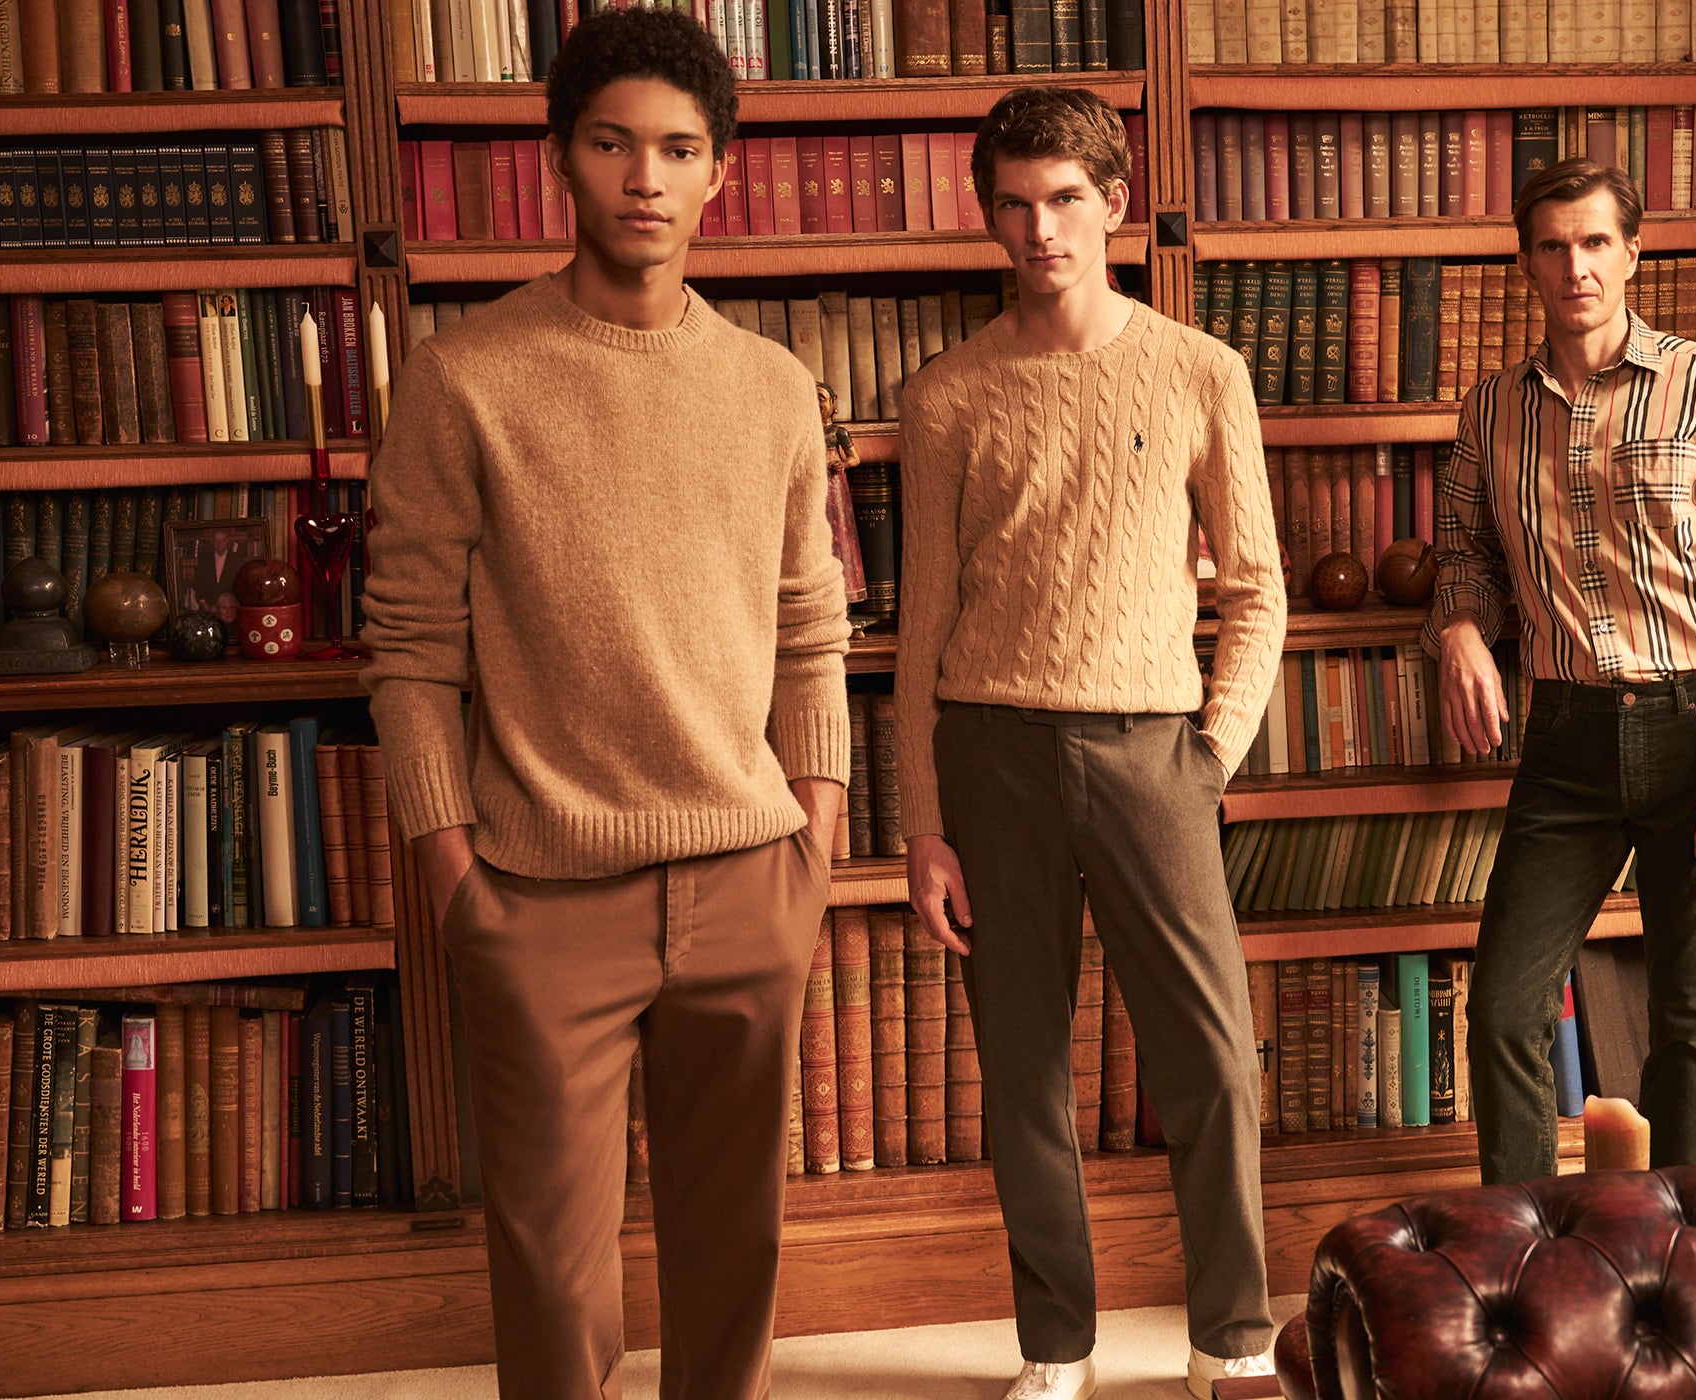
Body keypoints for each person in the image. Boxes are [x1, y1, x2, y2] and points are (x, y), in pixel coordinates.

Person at [358, 10, 849, 1397]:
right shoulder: (466, 378)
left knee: (732, 1254)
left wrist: (812, 837)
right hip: (536, 890)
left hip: (748, 878)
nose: (646, 178)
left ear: (720, 176)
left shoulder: (771, 387)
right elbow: (406, 653)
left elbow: (812, 627)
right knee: (554, 1275)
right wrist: (454, 874)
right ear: (560, 162)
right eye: (614, 144)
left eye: (679, 149)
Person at [896, 85, 1288, 1400]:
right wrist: (920, 820)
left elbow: (1255, 586)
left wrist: (1213, 751)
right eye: (1012, 205)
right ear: (989, 215)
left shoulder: (1198, 370)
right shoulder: (946, 393)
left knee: (1214, 1061)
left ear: (1114, 203)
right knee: (1022, 1072)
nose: (1039, 231)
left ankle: (1231, 1338)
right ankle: (1055, 1348)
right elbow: (923, 622)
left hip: (1152, 751)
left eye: (1065, 199)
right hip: (990, 754)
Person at [1427, 157, 1696, 1186]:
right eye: (1552, 246)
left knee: (1688, 1017)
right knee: (1504, 1007)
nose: (1575, 267)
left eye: (1595, 242)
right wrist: (1460, 630)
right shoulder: (1488, 409)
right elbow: (1463, 551)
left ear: (1633, 251)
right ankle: (1523, 1246)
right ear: (1525, 262)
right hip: (1563, 739)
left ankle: (1676, 1254)